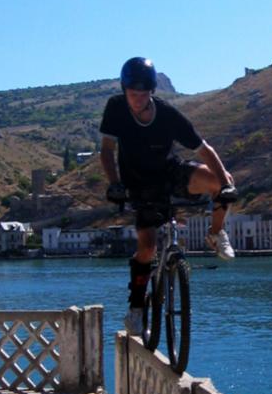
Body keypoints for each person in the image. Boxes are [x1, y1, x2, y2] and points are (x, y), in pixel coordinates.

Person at [100, 56, 237, 335]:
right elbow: (106, 151)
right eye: (132, 94)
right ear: (124, 90)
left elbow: (205, 150)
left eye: (143, 94)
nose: (137, 100)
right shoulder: (116, 108)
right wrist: (114, 184)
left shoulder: (167, 115)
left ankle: (215, 233)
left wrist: (225, 185)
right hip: (138, 184)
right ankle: (136, 308)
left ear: (152, 92)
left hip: (169, 173)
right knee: (147, 248)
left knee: (220, 180)